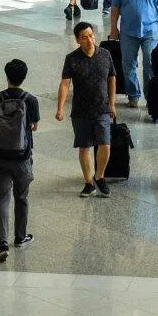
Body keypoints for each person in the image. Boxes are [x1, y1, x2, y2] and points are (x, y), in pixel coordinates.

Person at [56, 22, 117, 198]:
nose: (89, 40)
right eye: (84, 37)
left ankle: (100, 176)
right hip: (81, 111)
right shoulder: (72, 59)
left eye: (91, 35)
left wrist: (112, 103)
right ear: (77, 40)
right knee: (84, 147)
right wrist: (60, 108)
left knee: (105, 144)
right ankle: (88, 182)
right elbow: (65, 84)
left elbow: (112, 78)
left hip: (102, 108)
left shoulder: (105, 54)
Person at [0, 59, 39, 262]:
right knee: (22, 197)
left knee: (2, 198)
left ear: (6, 76)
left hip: (0, 155)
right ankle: (20, 237)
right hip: (22, 157)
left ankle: (2, 243)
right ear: (24, 77)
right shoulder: (31, 100)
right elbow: (34, 126)